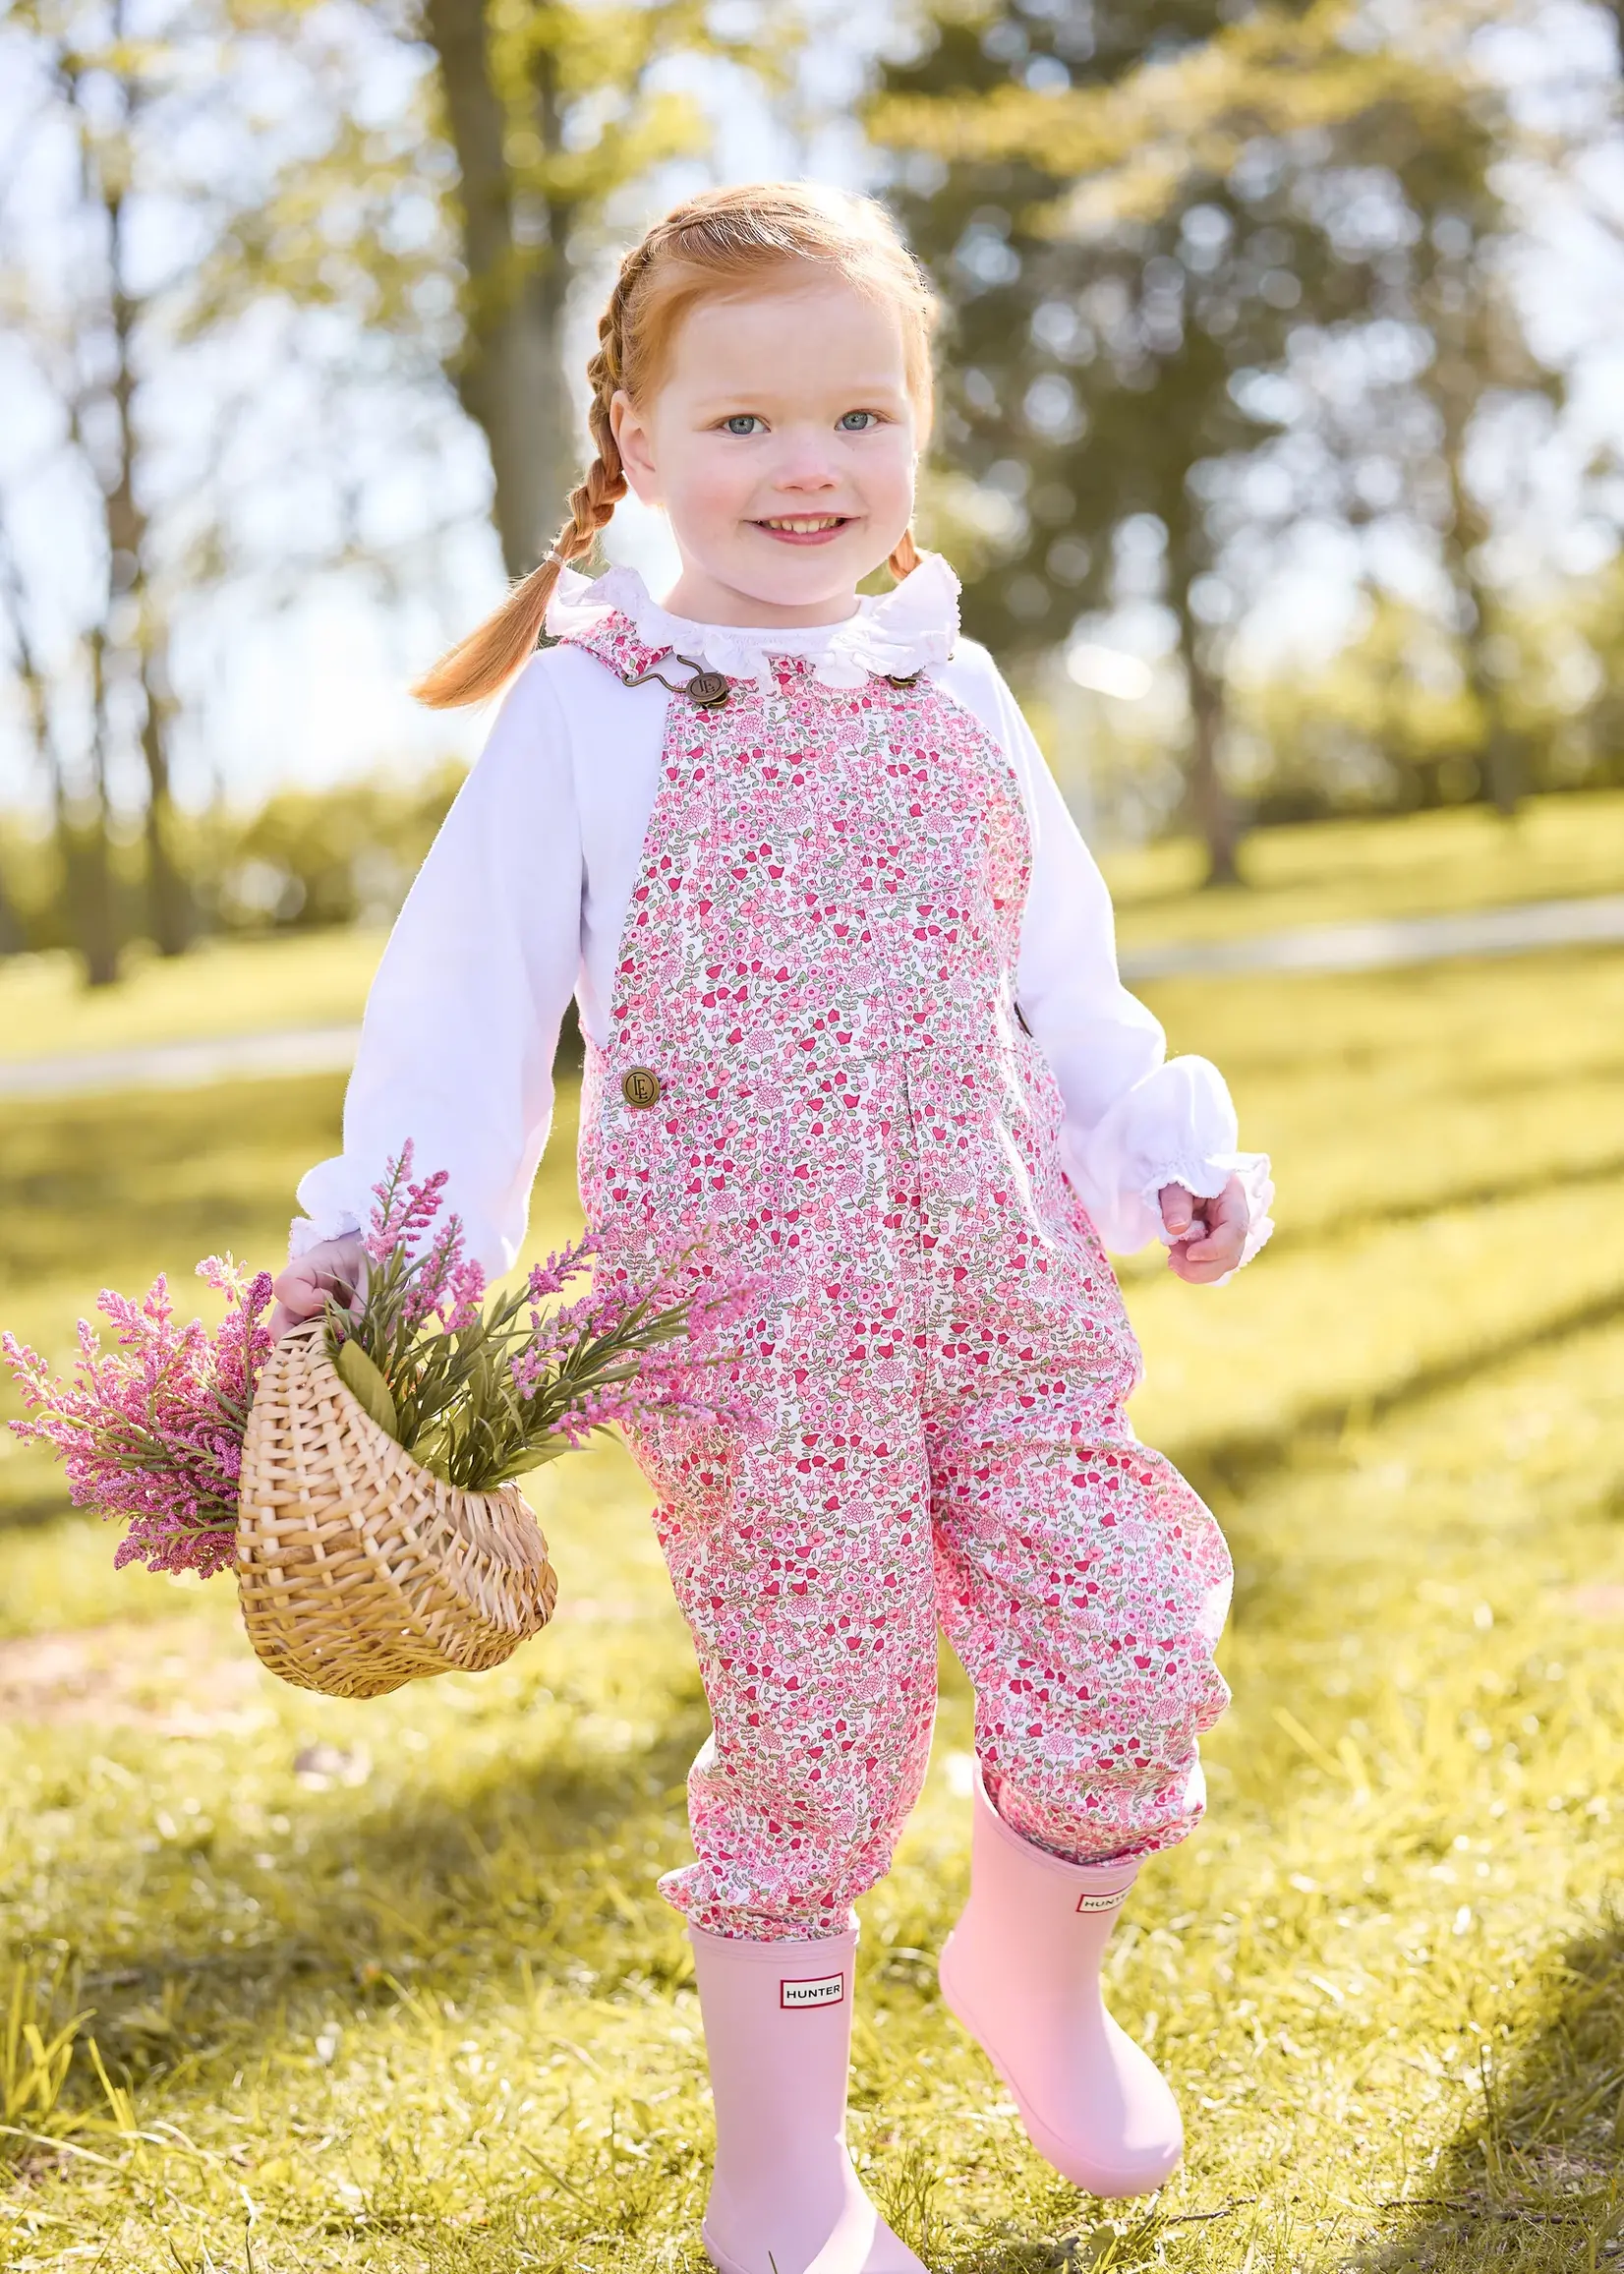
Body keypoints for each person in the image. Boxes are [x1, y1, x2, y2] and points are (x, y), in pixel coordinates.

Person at [270, 182, 1273, 2274]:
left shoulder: (955, 687)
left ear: (915, 431)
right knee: (816, 1733)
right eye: (742, 423)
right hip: (754, 1329)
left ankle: (1030, 1973)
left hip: (1005, 1291)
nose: (807, 466)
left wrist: (1153, 1151)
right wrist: (389, 1255)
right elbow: (461, 1014)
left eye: (858, 415)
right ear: (635, 443)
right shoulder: (596, 706)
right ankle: (787, 2187)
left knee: (1128, 1642)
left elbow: (1064, 983)